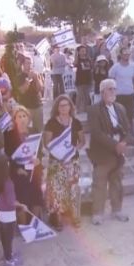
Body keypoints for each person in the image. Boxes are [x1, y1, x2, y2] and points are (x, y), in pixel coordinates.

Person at [87, 79, 133, 225]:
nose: (113, 92)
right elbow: (96, 133)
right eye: (109, 89)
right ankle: (98, 213)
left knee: (117, 182)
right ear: (102, 92)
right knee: (99, 183)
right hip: (102, 153)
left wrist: (124, 142)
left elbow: (127, 128)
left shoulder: (120, 108)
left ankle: (117, 210)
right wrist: (115, 145)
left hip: (118, 153)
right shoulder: (94, 110)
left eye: (114, 89)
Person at [43, 95, 85, 230]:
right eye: (61, 105)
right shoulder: (51, 123)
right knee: (56, 189)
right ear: (57, 108)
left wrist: (73, 150)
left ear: (70, 107)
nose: (64, 108)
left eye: (66, 105)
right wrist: (60, 154)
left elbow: (82, 141)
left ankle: (75, 216)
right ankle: (57, 219)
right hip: (56, 161)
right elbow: (46, 143)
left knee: (73, 188)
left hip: (72, 160)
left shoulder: (76, 122)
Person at [4, 106, 45, 219]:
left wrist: (38, 160)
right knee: (22, 196)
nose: (22, 119)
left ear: (28, 118)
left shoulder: (34, 132)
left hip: (34, 169)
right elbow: (8, 156)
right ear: (15, 119)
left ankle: (34, 222)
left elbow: (40, 151)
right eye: (19, 116)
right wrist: (17, 169)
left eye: (24, 116)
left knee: (37, 194)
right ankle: (23, 223)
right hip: (18, 171)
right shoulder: (9, 135)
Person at [0, 154, 26, 266]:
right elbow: (10, 202)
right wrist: (21, 205)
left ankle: (6, 254)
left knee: (3, 235)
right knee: (9, 237)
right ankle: (9, 259)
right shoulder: (7, 182)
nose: (9, 164)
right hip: (9, 213)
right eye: (7, 163)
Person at [108, 46, 134, 121]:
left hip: (130, 95)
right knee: (120, 117)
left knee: (130, 116)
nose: (126, 55)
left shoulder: (133, 66)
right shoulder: (115, 67)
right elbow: (111, 80)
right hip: (119, 96)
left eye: (128, 54)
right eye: (124, 54)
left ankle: (129, 132)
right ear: (120, 55)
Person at [17, 55, 45, 132]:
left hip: (37, 105)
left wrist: (36, 79)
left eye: (31, 63)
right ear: (23, 65)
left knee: (39, 130)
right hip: (26, 107)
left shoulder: (36, 74)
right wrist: (28, 79)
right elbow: (21, 91)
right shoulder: (19, 76)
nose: (29, 65)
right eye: (27, 63)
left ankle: (40, 144)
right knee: (25, 130)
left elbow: (40, 89)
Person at [74, 45, 93, 113]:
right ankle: (77, 109)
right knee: (80, 95)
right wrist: (76, 54)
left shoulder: (88, 59)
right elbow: (75, 64)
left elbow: (91, 68)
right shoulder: (78, 59)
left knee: (86, 95)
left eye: (84, 50)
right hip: (80, 79)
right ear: (79, 52)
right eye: (82, 50)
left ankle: (86, 109)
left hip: (88, 79)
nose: (83, 52)